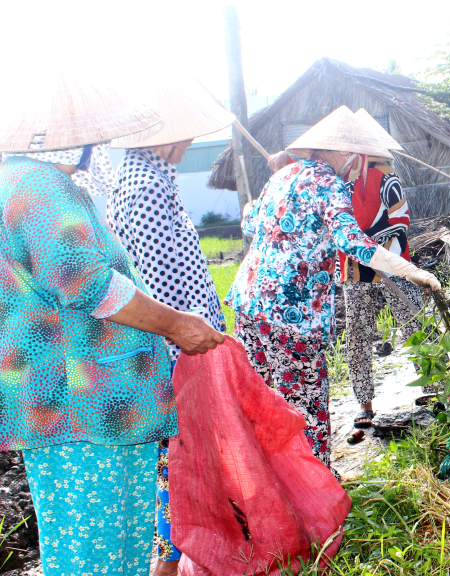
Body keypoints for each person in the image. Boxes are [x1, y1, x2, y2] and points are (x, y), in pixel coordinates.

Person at [0, 65, 223, 576]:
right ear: (71, 138)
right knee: (98, 557)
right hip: (85, 408)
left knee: (103, 549)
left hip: (79, 406)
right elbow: (90, 284)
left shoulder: (23, 181)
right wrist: (175, 325)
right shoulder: (39, 188)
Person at [226, 106, 439, 469]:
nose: (361, 165)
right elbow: (351, 240)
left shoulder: (283, 174)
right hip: (290, 315)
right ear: (343, 152)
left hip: (249, 306)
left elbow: (250, 225)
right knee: (307, 408)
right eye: (359, 156)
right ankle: (317, 495)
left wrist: (251, 209)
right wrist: (410, 270)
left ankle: (277, 483)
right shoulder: (328, 182)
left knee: (265, 402)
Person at [107, 77, 235, 576]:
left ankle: (178, 553)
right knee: (177, 460)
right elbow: (159, 282)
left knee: (182, 458)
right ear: (163, 138)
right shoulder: (146, 188)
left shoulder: (151, 179)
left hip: (180, 345)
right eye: (184, 136)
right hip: (175, 352)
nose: (187, 145)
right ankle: (169, 560)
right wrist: (187, 340)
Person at [343, 109, 423, 428]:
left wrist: (379, 254)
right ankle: (364, 404)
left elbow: (400, 218)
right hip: (354, 265)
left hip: (391, 261)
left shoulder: (385, 168)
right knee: (358, 335)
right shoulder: (337, 175)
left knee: (414, 322)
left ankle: (433, 388)